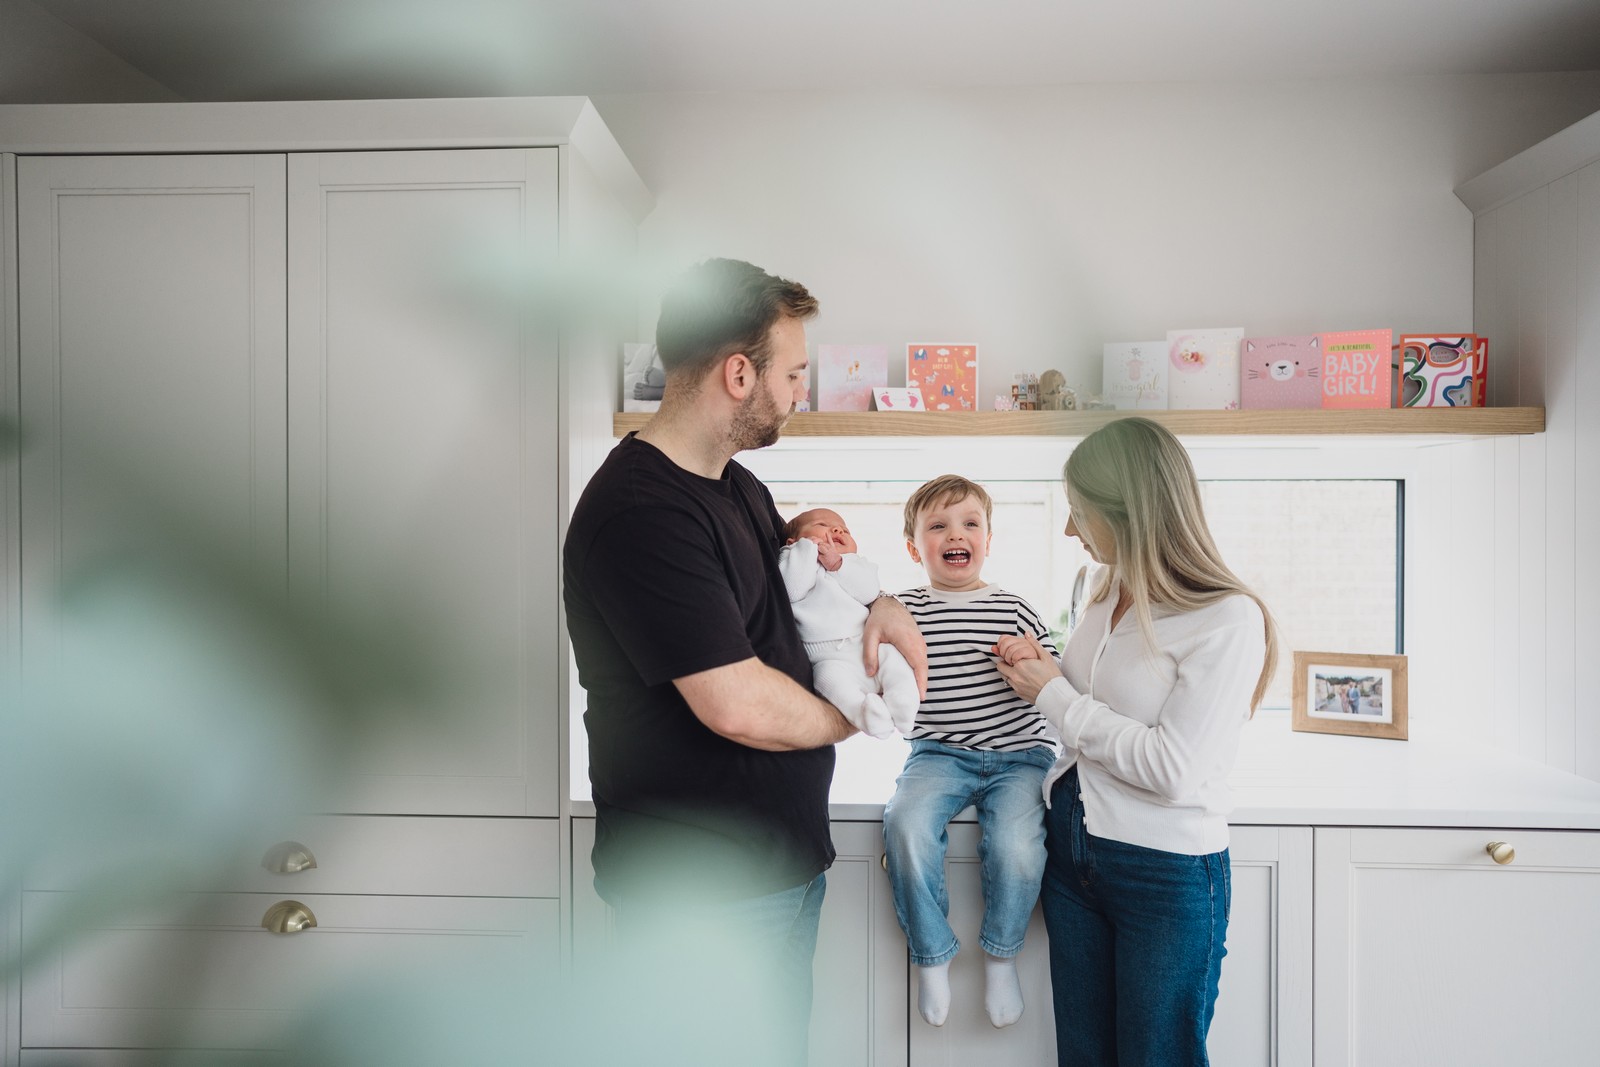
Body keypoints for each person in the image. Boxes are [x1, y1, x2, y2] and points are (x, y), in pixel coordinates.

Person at [562, 258, 927, 1065]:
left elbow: (790, 595)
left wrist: (881, 601)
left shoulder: (735, 488)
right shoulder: (640, 514)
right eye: (793, 373)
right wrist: (864, 711)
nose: (799, 392)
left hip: (776, 867)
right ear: (738, 373)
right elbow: (738, 702)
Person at [992, 417, 1278, 1067]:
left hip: (1164, 871)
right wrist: (1042, 667)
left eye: (1080, 513)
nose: (1070, 530)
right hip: (1073, 846)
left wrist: (1053, 694)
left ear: (1130, 513)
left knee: (1157, 1056)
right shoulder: (1107, 587)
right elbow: (1099, 698)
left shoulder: (1227, 618)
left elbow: (1171, 767)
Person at [882, 475, 1060, 1030]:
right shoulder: (902, 609)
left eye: (969, 523)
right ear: (915, 547)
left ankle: (1001, 957)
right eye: (937, 526)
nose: (955, 534)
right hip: (938, 754)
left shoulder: (1012, 605)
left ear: (988, 538)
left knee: (1017, 848)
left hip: (1020, 755)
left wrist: (1030, 653)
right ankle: (932, 957)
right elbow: (870, 664)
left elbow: (1056, 672)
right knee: (905, 826)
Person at [778, 507, 920, 740]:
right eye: (823, 525)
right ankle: (865, 714)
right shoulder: (791, 558)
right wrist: (805, 550)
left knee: (894, 660)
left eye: (845, 529)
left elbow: (868, 593)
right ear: (792, 541)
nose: (837, 529)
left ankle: (903, 702)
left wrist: (839, 565)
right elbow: (791, 590)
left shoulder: (856, 564)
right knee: (827, 679)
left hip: (866, 646)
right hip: (826, 657)